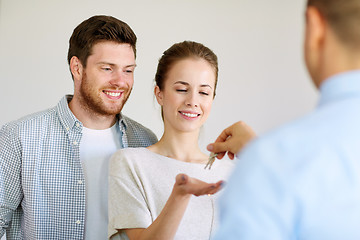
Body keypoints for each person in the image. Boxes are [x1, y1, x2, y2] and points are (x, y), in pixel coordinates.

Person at [208, 0, 360, 239]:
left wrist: (267, 162)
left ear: (315, 25)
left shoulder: (274, 162)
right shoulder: (275, 161)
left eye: (205, 91)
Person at [0, 15, 157, 240]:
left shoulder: (145, 142)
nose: (120, 81)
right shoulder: (20, 136)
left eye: (128, 70)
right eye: (107, 68)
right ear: (77, 67)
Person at [108, 41, 233, 240]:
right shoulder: (131, 163)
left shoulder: (229, 172)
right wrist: (179, 196)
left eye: (203, 92)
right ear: (160, 94)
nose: (193, 101)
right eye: (182, 89)